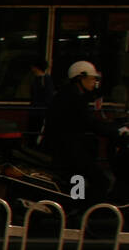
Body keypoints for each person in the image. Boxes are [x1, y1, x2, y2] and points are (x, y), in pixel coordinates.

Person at [40, 60, 129, 203]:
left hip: (67, 148)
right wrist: (116, 131)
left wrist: (113, 128)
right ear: (80, 78)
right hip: (68, 151)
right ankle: (85, 210)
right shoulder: (73, 98)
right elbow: (90, 123)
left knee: (84, 177)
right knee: (100, 180)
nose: (94, 82)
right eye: (92, 78)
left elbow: (90, 121)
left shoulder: (70, 95)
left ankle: (78, 205)